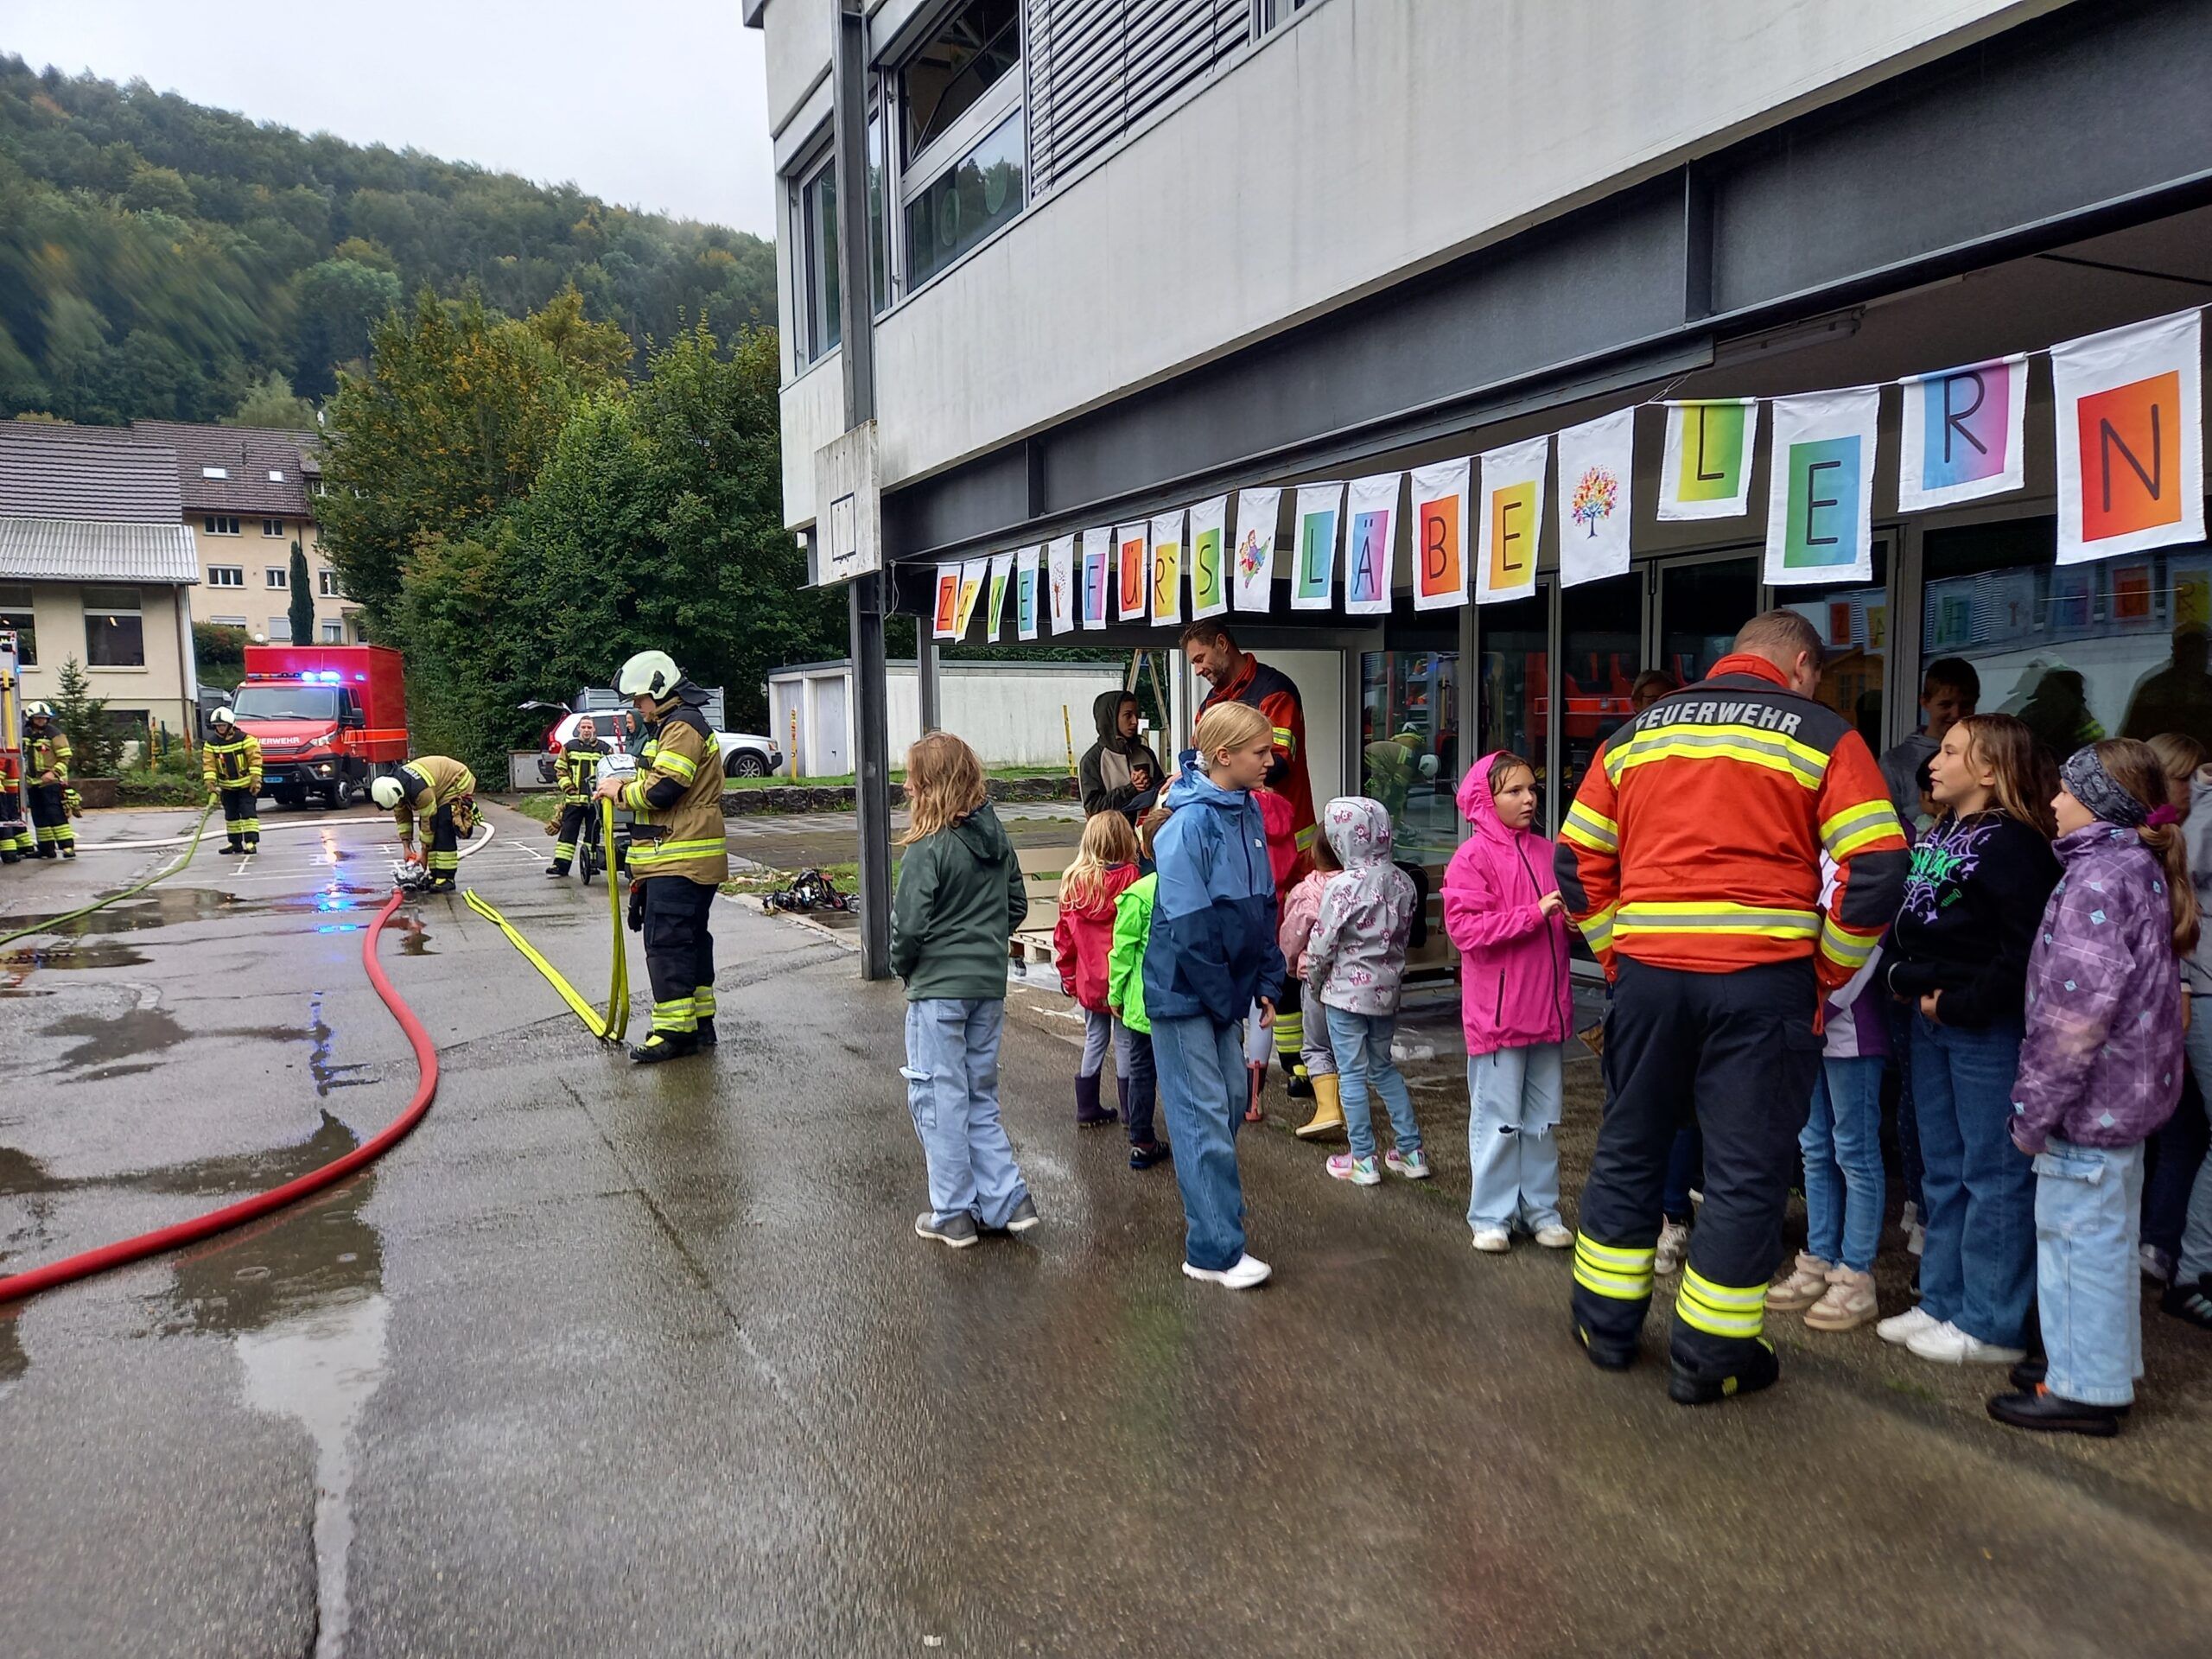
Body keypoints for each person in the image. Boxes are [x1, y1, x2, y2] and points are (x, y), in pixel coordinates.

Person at [1556, 610, 1908, 1406]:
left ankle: (1603, 1330)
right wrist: (1825, 972)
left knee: (1631, 1143)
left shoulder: (1637, 733)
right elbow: (1881, 868)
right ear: (1803, 668)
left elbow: (1576, 858)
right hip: (1763, 981)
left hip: (1649, 974)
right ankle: (1709, 1358)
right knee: (1747, 1170)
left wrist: (1618, 956)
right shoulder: (1820, 734)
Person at [1987, 740, 2196, 1436]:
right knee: (2100, 1240)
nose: (2051, 800)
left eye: (2067, 791)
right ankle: (2091, 1364)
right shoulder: (2129, 867)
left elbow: (2072, 1020)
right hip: (2120, 1100)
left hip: (2090, 1103)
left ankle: (2085, 1390)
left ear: (2102, 803)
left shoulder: (2100, 880)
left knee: (2079, 1242)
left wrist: (2031, 1112)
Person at [1876, 714, 2059, 1366]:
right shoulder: (1943, 830)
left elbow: (2021, 954)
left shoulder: (2016, 846)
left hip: (1981, 1029)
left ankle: (1992, 1323)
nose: (1933, 762)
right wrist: (1902, 976)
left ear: (1988, 769)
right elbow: (1914, 925)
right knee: (1944, 1170)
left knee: (1994, 1173)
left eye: (1951, 752)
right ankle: (1944, 1301)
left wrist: (1957, 1002)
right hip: (1930, 1022)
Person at [1146, 701, 1286, 1290]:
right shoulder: (1189, 824)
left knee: (1227, 1100)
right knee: (1204, 1114)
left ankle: (1212, 1212)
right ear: (1224, 756)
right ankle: (1214, 1250)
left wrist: (1268, 981)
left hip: (1221, 991)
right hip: (1185, 993)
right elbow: (1189, 921)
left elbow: (1263, 905)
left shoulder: (1248, 811)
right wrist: (1226, 994)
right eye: (1260, 752)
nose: (1270, 761)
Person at [888, 731, 1038, 1248]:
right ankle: (1008, 1199)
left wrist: (903, 966)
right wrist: (988, 941)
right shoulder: (996, 839)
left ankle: (952, 1211)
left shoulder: (927, 849)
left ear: (930, 785)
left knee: (937, 1097)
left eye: (911, 777)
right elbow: (1016, 904)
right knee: (979, 1095)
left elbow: (908, 925)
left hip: (937, 989)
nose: (905, 786)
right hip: (987, 987)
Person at [1445, 751, 1573, 1251]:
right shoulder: (1471, 859)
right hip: (1498, 1018)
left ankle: (1542, 1210)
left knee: (1542, 1121)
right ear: (1485, 800)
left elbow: (1557, 919)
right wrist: (1534, 915)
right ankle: (1491, 1216)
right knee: (1498, 1120)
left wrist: (1570, 924)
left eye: (1531, 789)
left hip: (1546, 1009)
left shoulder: (1548, 852)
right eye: (1514, 791)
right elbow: (1465, 930)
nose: (1528, 798)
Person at [1183, 619, 1315, 1092]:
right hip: (1241, 841)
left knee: (1285, 954)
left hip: (1288, 844)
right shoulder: (1210, 704)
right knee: (1255, 948)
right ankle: (1268, 1065)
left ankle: (1297, 1062)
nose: (1197, 669)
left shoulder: (1275, 691)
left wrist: (1227, 765)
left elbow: (1277, 765)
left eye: (1201, 658)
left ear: (1223, 644)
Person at [1764, 856, 1889, 1332]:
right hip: (1807, 1025)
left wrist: (1819, 1007)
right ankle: (1819, 1259)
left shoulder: (1869, 854)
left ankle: (1855, 1274)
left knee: (1854, 1150)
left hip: (1850, 1029)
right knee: (1815, 1149)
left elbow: (1866, 942)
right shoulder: (1805, 848)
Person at [592, 651, 728, 1063]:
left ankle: (674, 1032)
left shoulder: (682, 725)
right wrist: (628, 779)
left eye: (639, 698)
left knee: (667, 943)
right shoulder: (675, 725)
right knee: (690, 941)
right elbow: (660, 778)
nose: (636, 706)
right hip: (684, 857)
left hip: (678, 856)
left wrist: (621, 792)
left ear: (658, 689)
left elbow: (664, 789)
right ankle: (700, 1024)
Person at [1304, 798, 1426, 1187]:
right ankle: (1411, 1150)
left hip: (1344, 993)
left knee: (1351, 1075)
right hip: (1386, 990)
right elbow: (1404, 934)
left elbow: (1322, 943)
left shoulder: (1342, 886)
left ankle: (1363, 1158)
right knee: (1382, 1067)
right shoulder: (1403, 881)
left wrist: (1315, 980)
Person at [1626, 668, 1701, 1274]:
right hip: (1649, 968)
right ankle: (1664, 1211)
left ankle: (1676, 1210)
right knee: (1655, 1101)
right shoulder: (1623, 766)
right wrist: (1613, 956)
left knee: (1693, 1103)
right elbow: (1587, 864)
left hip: (1706, 969)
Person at [2140, 733, 2208, 1286]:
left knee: (2180, 1133)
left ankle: (2160, 1241)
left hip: (2178, 994)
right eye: (2187, 778)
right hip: (2187, 994)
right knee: (2177, 1132)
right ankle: (2181, 1255)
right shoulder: (2163, 836)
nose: (2194, 788)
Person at [1053, 809, 1142, 1127]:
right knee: (1127, 1043)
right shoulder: (1133, 879)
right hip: (1125, 979)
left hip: (1090, 981)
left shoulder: (1074, 884)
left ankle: (1087, 1108)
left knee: (1095, 1039)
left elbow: (1064, 940)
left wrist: (1068, 978)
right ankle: (1132, 1111)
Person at [1107, 805, 1174, 1171]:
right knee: (1181, 1071)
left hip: (1139, 1003)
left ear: (1144, 849)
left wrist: (1115, 993)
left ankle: (1142, 1139)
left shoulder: (1138, 894)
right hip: (1178, 1001)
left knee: (1142, 1070)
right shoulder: (1192, 889)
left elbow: (1121, 952)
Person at [1275, 830, 1344, 1142]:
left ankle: (1328, 1110)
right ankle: (1353, 1111)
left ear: (1314, 854)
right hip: (1361, 986)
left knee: (1317, 1046)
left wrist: (1292, 965)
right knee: (1349, 1050)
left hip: (1319, 980)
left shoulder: (1309, 891)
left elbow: (1292, 937)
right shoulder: (1368, 883)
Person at [1880, 658, 1980, 825]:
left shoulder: (1984, 755)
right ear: (1925, 702)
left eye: (1966, 705)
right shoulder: (1896, 762)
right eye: (1945, 705)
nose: (1956, 714)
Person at [372, 755, 477, 893]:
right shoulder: (396, 788)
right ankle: (435, 875)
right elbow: (403, 820)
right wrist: (406, 847)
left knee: (442, 825)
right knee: (429, 827)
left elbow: (429, 823)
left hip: (456, 781)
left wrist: (424, 854)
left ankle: (446, 878)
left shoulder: (421, 792)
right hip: (438, 786)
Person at [2120, 624, 2212, 752]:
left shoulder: (2154, 684)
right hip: (2164, 762)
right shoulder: (2155, 687)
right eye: (2189, 650)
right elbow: (2132, 735)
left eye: (2199, 650)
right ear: (2176, 651)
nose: (2194, 657)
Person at [1078, 690, 1164, 823]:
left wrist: (1149, 784)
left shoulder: (1147, 754)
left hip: (1146, 839)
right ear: (1110, 718)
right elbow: (1094, 808)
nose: (1135, 722)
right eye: (1128, 715)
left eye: (1136, 715)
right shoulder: (1092, 760)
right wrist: (1131, 789)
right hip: (1111, 840)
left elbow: (1163, 796)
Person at [546, 715, 611, 878]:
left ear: (594, 729)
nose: (587, 730)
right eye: (584, 727)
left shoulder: (605, 749)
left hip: (595, 801)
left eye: (590, 727)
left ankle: (591, 864)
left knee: (593, 834)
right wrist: (568, 787)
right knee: (567, 833)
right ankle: (561, 866)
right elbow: (560, 769)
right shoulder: (569, 747)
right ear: (579, 729)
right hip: (574, 800)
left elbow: (610, 772)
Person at [200, 707, 264, 856]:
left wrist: (256, 780)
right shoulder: (211, 743)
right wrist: (210, 782)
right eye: (217, 726)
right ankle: (235, 843)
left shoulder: (246, 740)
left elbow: (255, 760)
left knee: (248, 813)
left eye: (222, 725)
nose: (220, 728)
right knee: (231, 815)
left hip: (246, 786)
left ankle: (251, 842)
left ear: (230, 725)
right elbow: (209, 764)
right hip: (227, 787)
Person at [22, 701, 74, 860]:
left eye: (44, 718)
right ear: (31, 718)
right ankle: (46, 849)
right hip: (32, 782)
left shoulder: (54, 734)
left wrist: (53, 773)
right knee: (39, 815)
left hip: (50, 781)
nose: (41, 721)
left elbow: (65, 758)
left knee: (55, 813)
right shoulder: (23, 733)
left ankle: (67, 847)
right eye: (38, 718)